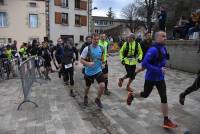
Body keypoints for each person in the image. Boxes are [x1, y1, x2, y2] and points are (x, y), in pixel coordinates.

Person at [126, 31, 177, 128]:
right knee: (145, 94)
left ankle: (166, 120)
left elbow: (163, 59)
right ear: (157, 38)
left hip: (160, 79)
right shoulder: (153, 49)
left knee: (164, 97)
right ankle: (131, 95)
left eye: (166, 36)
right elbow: (144, 64)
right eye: (163, 36)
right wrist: (159, 69)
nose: (165, 38)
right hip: (150, 78)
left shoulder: (163, 48)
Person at [80, 33, 105, 108]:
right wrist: (87, 63)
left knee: (102, 86)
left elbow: (101, 58)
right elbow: (81, 60)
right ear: (91, 39)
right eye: (94, 39)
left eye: (97, 39)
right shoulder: (87, 49)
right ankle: (85, 96)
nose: (96, 41)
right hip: (89, 72)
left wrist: (102, 64)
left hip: (98, 70)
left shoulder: (101, 48)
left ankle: (97, 99)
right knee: (87, 87)